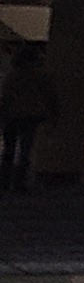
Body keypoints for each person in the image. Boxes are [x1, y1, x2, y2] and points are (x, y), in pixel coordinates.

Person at [0, 40, 50, 190]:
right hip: (30, 116)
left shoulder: (12, 76)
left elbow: (5, 97)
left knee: (9, 150)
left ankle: (4, 180)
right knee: (25, 151)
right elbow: (48, 95)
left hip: (12, 116)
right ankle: (19, 182)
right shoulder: (39, 76)